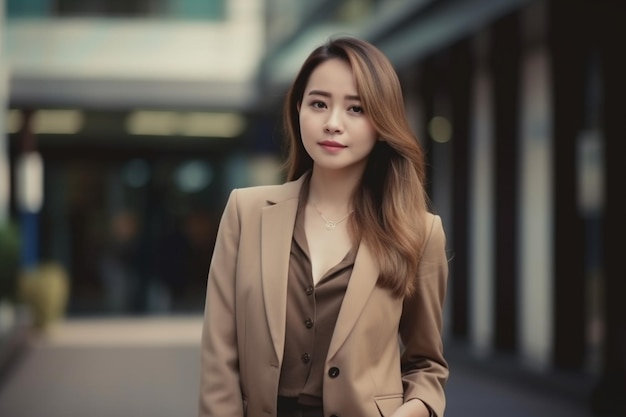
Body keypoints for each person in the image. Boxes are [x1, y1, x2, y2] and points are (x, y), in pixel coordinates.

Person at [198, 36, 449, 417]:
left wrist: (411, 411)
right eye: (319, 104)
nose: (333, 123)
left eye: (356, 108)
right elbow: (220, 358)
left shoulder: (418, 231)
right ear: (299, 109)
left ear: (382, 123)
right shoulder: (245, 212)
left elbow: (426, 365)